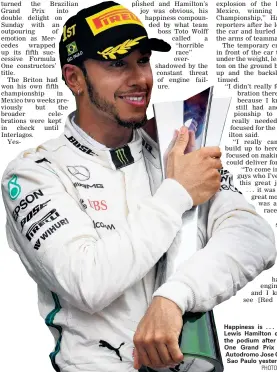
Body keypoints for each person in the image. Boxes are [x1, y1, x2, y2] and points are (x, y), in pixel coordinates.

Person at [1, 2, 275, 372]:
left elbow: (254, 236)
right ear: (74, 78)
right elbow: (88, 282)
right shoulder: (34, 172)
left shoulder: (174, 146)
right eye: (117, 64)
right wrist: (177, 192)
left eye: (142, 60)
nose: (139, 79)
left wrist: (174, 298)